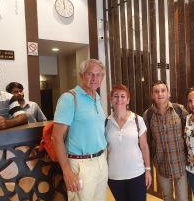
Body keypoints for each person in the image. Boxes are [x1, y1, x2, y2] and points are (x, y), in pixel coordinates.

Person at [52, 59, 108, 201]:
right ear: (82, 75)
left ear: (102, 77)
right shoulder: (69, 98)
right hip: (81, 165)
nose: (95, 78)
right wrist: (67, 172)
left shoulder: (98, 99)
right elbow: (56, 137)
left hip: (101, 161)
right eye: (90, 74)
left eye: (99, 75)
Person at [143, 80, 189, 201]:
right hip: (161, 164)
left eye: (163, 90)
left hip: (180, 163)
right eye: (156, 91)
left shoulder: (179, 110)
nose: (160, 94)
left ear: (169, 93)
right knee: (167, 197)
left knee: (182, 198)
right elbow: (146, 140)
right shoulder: (148, 114)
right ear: (152, 95)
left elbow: (189, 133)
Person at [105, 84, 152, 201]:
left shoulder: (137, 120)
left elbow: (144, 146)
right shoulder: (106, 122)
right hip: (114, 176)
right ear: (111, 100)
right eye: (115, 96)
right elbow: (105, 149)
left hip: (137, 173)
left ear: (128, 100)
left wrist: (148, 170)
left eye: (122, 96)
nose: (119, 99)